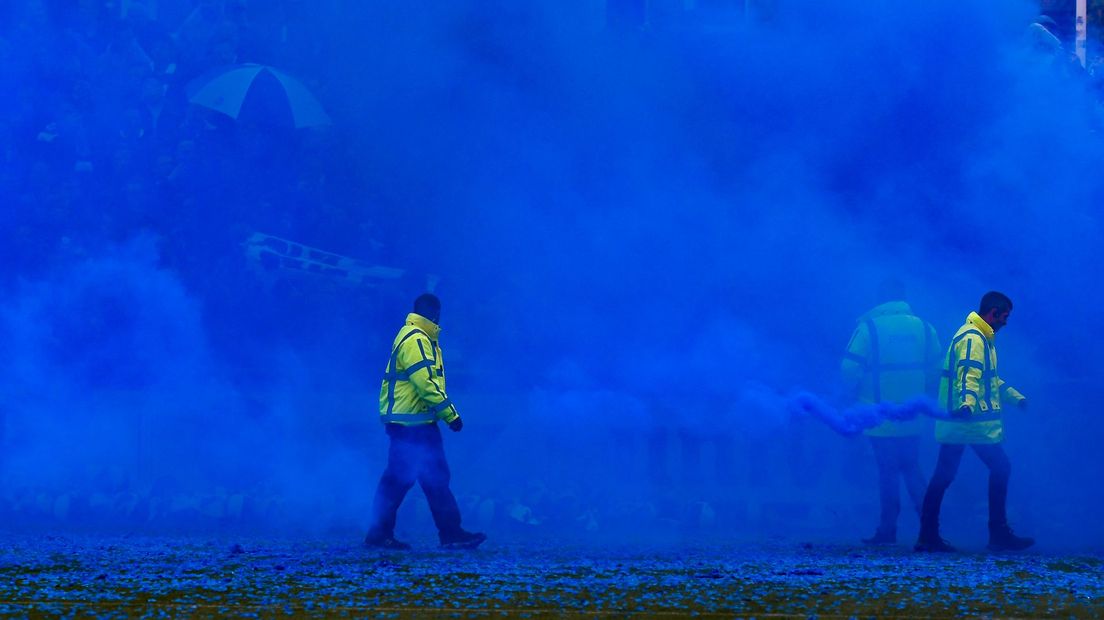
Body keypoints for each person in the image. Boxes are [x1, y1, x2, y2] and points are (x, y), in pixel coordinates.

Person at [364, 293, 487, 550]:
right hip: (414, 425)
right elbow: (425, 383)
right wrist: (450, 414)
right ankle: (447, 534)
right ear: (435, 314)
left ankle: (444, 533)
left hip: (412, 423)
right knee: (413, 479)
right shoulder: (417, 339)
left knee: (423, 479)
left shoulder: (415, 337)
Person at [915, 291, 1034, 553]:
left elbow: (987, 379)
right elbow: (967, 374)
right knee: (999, 468)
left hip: (964, 423)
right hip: (970, 423)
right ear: (993, 314)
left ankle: (927, 535)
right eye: (1004, 317)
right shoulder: (974, 339)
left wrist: (1016, 398)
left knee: (943, 477)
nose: (1005, 323)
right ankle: (997, 533)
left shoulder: (978, 337)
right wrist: (967, 405)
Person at [841, 279, 941, 545]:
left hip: (879, 413)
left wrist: (855, 394)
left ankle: (887, 530)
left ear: (880, 297)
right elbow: (936, 371)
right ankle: (929, 531)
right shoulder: (924, 327)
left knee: (887, 470)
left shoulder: (869, 327)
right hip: (912, 414)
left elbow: (848, 370)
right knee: (911, 467)